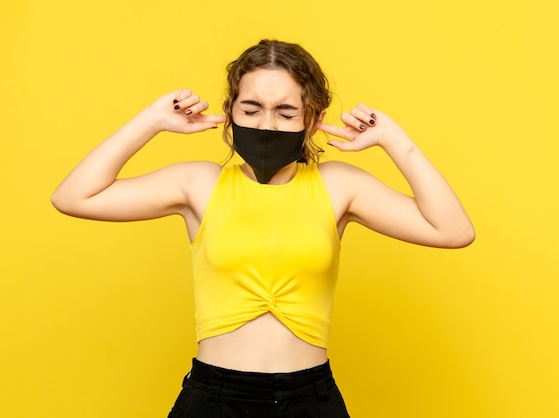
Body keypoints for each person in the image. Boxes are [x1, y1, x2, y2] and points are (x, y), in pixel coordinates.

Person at [52, 39, 475, 417]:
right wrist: (152, 119)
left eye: (286, 111)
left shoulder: (339, 186)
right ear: (230, 110)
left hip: (311, 400)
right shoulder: (199, 184)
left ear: (313, 119)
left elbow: (453, 231)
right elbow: (74, 197)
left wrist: (393, 139)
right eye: (251, 109)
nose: (267, 125)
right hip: (215, 398)